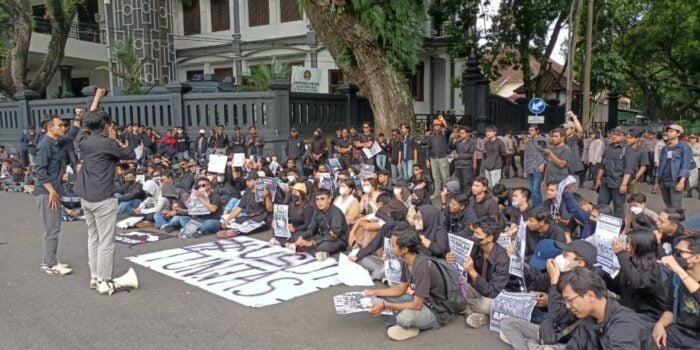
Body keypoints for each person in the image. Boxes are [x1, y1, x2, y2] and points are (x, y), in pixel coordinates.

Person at [76, 99, 138, 291]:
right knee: (106, 242)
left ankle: (95, 277)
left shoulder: (84, 141)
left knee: (93, 237)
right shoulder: (107, 143)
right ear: (106, 126)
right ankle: (104, 280)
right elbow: (130, 154)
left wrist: (96, 99)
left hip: (86, 197)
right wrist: (116, 138)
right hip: (103, 197)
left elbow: (86, 123)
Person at [363, 229, 453, 341]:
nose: (391, 248)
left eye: (393, 246)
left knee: (403, 318)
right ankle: (402, 324)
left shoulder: (422, 267)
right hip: (420, 299)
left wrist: (387, 306)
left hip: (435, 310)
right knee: (379, 298)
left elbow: (416, 305)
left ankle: (410, 325)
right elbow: (400, 289)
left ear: (404, 249)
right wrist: (374, 292)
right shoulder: (406, 261)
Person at [559, 268, 656, 349]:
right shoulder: (589, 319)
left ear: (590, 295)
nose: (567, 306)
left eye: (570, 300)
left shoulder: (624, 323)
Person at [33, 114, 81, 276]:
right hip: (46, 192)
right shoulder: (45, 145)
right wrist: (52, 191)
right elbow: (40, 171)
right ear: (50, 128)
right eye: (60, 125)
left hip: (54, 190)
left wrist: (78, 118)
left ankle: (50, 259)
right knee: (51, 229)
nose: (63, 128)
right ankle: (49, 264)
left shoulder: (57, 143)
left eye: (63, 125)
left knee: (54, 227)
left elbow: (71, 135)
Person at [449, 218, 511, 329]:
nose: (474, 236)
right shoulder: (476, 248)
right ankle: (470, 313)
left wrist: (472, 272)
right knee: (453, 289)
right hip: (477, 289)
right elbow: (462, 274)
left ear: (490, 238)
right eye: (474, 232)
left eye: (478, 234)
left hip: (495, 296)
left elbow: (492, 292)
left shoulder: (502, 259)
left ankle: (465, 308)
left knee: (488, 305)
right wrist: (452, 259)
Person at [606, 228, 667, 322]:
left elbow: (639, 284)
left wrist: (621, 255)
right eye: (627, 243)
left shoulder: (652, 269)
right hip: (630, 309)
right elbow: (619, 289)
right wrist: (601, 274)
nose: (627, 247)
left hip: (648, 316)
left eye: (631, 244)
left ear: (642, 247)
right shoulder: (630, 263)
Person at [653, 235, 700, 349]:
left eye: (679, 253)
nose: (674, 256)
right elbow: (670, 308)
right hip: (679, 331)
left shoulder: (679, 273)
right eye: (674, 251)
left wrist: (679, 270)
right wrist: (660, 324)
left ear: (697, 258)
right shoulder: (676, 277)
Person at [295, 188, 348, 261]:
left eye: (322, 199)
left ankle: (316, 251)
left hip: (337, 240)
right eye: (317, 199)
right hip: (322, 238)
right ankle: (318, 253)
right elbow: (310, 229)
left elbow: (333, 235)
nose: (319, 202)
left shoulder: (336, 213)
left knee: (324, 246)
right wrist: (301, 237)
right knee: (297, 236)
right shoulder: (317, 211)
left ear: (329, 200)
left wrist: (312, 242)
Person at [595, 126, 636, 217]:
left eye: (618, 135)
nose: (614, 136)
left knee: (618, 207)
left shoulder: (628, 150)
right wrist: (598, 179)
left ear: (625, 137)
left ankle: (619, 228)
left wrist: (624, 184)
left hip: (618, 183)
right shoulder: (608, 147)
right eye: (613, 134)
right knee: (601, 205)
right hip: (606, 182)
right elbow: (603, 164)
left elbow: (628, 169)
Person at [654, 124, 693, 208]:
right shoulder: (664, 148)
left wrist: (682, 182)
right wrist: (657, 181)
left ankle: (680, 222)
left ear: (678, 134)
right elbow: (660, 166)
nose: (668, 133)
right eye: (668, 131)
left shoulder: (684, 147)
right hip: (663, 181)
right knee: (668, 207)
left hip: (675, 181)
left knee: (676, 207)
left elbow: (686, 165)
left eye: (671, 131)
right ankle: (670, 221)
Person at [426, 117, 451, 197]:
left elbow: (449, 129)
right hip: (433, 158)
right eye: (434, 125)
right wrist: (427, 159)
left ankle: (447, 192)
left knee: (445, 177)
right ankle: (437, 193)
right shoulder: (431, 136)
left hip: (442, 157)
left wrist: (443, 121)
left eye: (438, 125)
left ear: (441, 125)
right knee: (435, 177)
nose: (436, 126)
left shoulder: (444, 134)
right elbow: (428, 148)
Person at [524, 125, 547, 205]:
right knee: (531, 189)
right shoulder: (529, 141)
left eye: (532, 130)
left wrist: (544, 163)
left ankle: (539, 206)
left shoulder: (542, 140)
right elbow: (526, 155)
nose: (530, 132)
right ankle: (535, 206)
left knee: (536, 189)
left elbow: (547, 154)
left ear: (537, 131)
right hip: (529, 167)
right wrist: (525, 170)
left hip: (538, 167)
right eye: (529, 130)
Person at [453, 126, 477, 193]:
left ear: (468, 134)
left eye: (462, 133)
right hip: (458, 165)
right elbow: (450, 147)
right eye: (460, 133)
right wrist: (452, 138)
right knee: (459, 183)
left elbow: (470, 155)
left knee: (467, 183)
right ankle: (461, 198)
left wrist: (459, 156)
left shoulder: (472, 142)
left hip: (466, 166)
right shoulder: (458, 142)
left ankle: (467, 198)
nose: (460, 134)